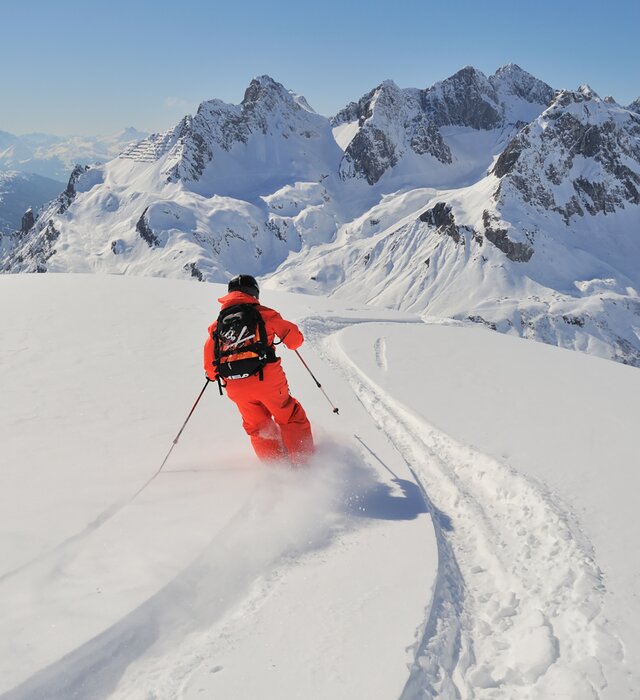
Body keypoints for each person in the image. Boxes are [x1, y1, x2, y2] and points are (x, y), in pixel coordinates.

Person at [203, 274, 314, 464]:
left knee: (257, 426)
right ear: (254, 293)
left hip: (235, 386)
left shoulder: (217, 325)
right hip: (267, 380)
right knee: (289, 416)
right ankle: (305, 464)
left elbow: (210, 359)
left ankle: (275, 467)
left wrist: (213, 375)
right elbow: (295, 341)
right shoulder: (264, 314)